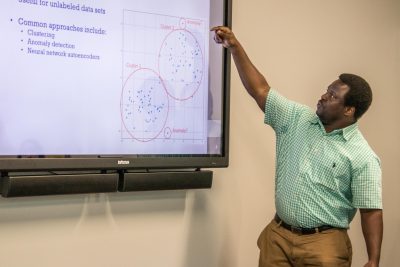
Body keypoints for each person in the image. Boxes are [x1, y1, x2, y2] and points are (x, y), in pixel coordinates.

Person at [211, 26, 383, 267]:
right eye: (327, 90)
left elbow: (371, 210)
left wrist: (373, 260)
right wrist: (234, 47)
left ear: (349, 110)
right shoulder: (297, 118)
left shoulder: (362, 156)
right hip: (278, 236)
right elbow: (260, 90)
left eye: (332, 96)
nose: (323, 96)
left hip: (324, 245)